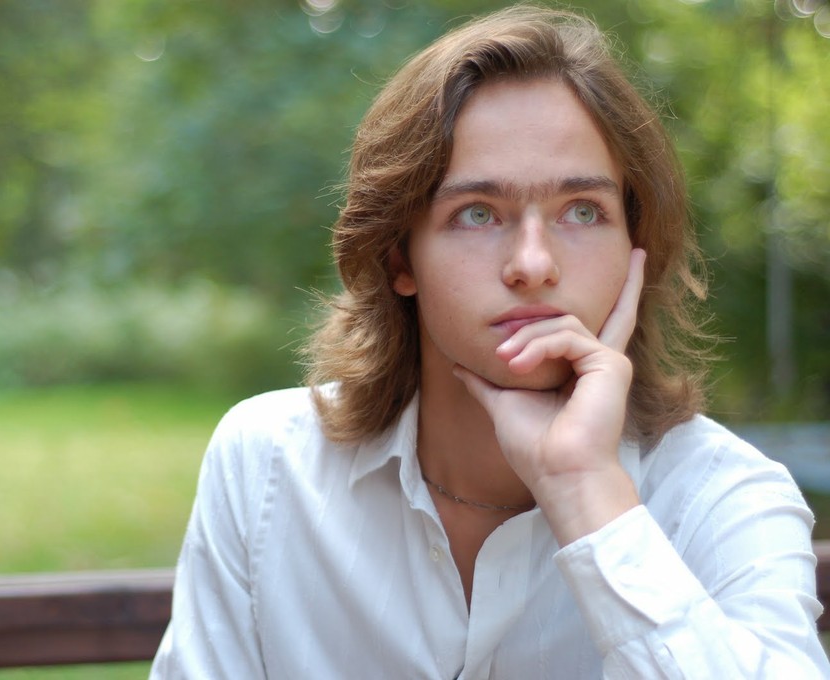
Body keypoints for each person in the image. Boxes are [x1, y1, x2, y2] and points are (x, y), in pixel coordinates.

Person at [150, 6, 830, 678]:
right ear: (399, 258)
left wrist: (586, 490)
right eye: (477, 214)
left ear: (636, 250)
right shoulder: (269, 469)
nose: (533, 265)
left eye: (583, 211)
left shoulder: (727, 498)